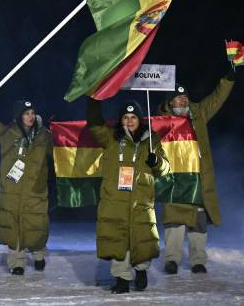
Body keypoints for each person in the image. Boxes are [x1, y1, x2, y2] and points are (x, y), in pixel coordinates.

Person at [86, 98, 169, 293]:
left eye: (133, 117)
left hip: (141, 201)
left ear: (140, 120)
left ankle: (141, 271)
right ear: (120, 120)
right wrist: (93, 100)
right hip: (115, 200)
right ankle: (121, 278)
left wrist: (156, 161)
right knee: (118, 239)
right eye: (126, 117)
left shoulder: (151, 140)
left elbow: (165, 169)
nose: (130, 121)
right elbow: (94, 123)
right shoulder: (110, 138)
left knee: (141, 237)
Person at [158, 71, 235, 274]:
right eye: (178, 97)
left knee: (198, 220)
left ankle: (198, 260)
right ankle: (172, 260)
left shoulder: (198, 114)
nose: (183, 100)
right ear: (170, 102)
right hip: (174, 179)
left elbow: (216, 99)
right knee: (174, 221)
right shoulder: (162, 121)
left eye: (185, 96)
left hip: (197, 177)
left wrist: (227, 80)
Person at [0, 100, 52, 275]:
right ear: (19, 116)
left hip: (35, 191)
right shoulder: (8, 134)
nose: (30, 117)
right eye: (26, 113)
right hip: (12, 191)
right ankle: (17, 263)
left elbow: (61, 150)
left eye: (32, 113)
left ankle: (38, 255)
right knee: (13, 226)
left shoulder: (44, 136)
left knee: (35, 226)